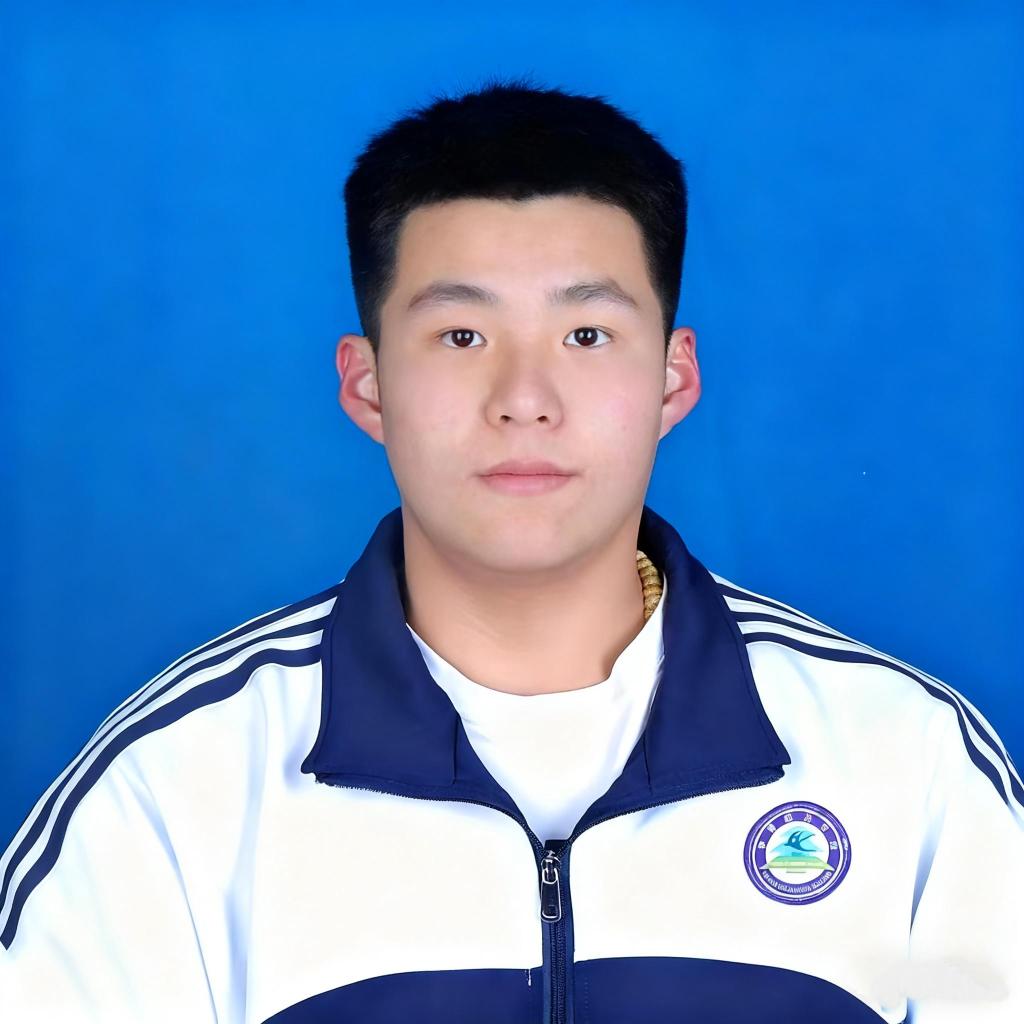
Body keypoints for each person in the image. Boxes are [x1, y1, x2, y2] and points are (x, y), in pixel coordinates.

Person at [1, 75, 1021, 1024]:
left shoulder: (909, 763)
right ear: (367, 386)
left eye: (586, 336)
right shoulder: (171, 790)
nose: (524, 400)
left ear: (672, 379)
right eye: (461, 337)